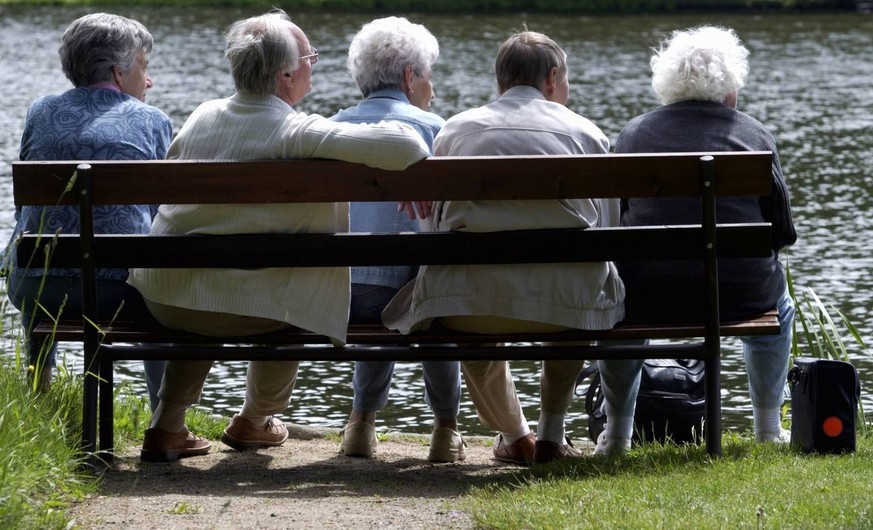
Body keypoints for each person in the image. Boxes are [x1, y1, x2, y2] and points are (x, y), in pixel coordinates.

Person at [127, 9, 430, 463]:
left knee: (210, 283)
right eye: (310, 56)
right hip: (253, 308)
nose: (314, 63)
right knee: (290, 294)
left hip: (168, 296)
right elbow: (410, 147)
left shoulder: (201, 116)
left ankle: (166, 426)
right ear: (286, 73)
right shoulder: (297, 130)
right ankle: (255, 418)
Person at [382, 31, 625, 465]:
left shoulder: (456, 130)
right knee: (577, 285)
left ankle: (515, 434)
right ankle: (550, 436)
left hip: (470, 305)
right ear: (552, 79)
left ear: (501, 81)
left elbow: (435, 226)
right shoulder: (586, 133)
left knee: (462, 295)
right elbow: (606, 229)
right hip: (567, 302)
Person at [595, 25, 797, 456]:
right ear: (729, 86)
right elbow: (783, 231)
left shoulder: (633, 135)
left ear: (669, 83)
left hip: (648, 295)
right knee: (780, 305)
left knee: (616, 305)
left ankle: (615, 438)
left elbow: (615, 221)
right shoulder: (755, 135)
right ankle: (767, 429)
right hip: (739, 295)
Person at [5, 13, 169, 408]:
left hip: (36, 287)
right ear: (118, 72)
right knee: (165, 288)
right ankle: (165, 420)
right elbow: (163, 213)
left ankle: (38, 398)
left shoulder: (40, 112)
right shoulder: (152, 120)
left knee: (37, 247)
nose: (149, 82)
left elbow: (25, 209)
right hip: (122, 293)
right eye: (144, 68)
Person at [329, 17, 464, 463]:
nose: (431, 85)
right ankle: (445, 430)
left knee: (378, 284)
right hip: (418, 298)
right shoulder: (436, 130)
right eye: (428, 74)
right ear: (410, 76)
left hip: (341, 299)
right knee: (430, 288)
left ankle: (360, 424)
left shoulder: (330, 129)